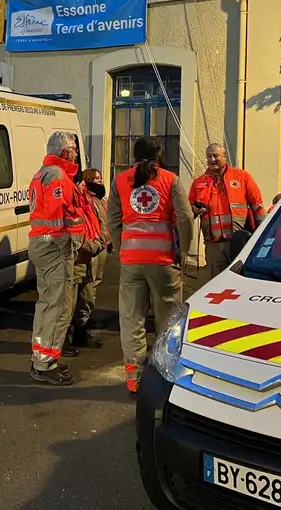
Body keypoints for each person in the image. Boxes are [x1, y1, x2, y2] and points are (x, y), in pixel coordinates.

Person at [108, 138, 194, 395]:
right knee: (167, 320)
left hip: (132, 261)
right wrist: (184, 250)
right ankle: (165, 375)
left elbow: (112, 220)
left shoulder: (120, 180)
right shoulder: (171, 180)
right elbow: (186, 217)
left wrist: (120, 247)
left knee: (131, 318)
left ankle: (134, 378)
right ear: (160, 156)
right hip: (164, 261)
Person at [27, 131, 85, 386]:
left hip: (41, 244)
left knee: (46, 304)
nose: (75, 153)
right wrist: (75, 239)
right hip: (54, 246)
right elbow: (60, 213)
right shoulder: (58, 176)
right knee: (56, 306)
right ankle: (44, 364)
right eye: (73, 149)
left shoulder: (42, 172)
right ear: (64, 152)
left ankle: (43, 357)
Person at [188, 143, 266, 279]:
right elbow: (188, 212)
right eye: (209, 156)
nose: (212, 160)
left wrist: (263, 237)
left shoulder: (242, 177)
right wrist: (194, 210)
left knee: (242, 281)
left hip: (239, 242)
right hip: (214, 244)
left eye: (216, 156)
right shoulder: (199, 183)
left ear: (224, 157)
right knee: (217, 284)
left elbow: (257, 207)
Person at [63, 175, 105, 351]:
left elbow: (97, 223)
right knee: (68, 302)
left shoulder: (88, 201)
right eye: (80, 182)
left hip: (88, 253)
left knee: (86, 298)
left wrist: (99, 242)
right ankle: (62, 340)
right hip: (76, 255)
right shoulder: (69, 202)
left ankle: (81, 334)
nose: (83, 185)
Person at [70, 168, 110, 342]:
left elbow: (103, 222)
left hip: (99, 245)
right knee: (86, 290)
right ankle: (79, 328)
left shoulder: (101, 200)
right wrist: (93, 245)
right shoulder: (84, 201)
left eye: (100, 178)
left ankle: (84, 324)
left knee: (93, 284)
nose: (98, 181)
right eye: (94, 179)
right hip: (89, 249)